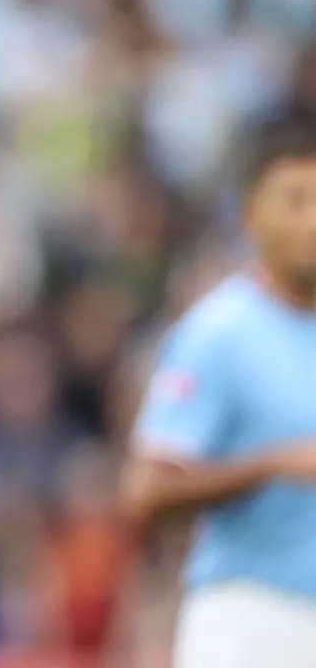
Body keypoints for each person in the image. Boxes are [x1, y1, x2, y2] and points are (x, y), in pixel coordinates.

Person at [121, 120, 316, 668]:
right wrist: (272, 465)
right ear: (252, 216)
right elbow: (147, 491)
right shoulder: (220, 333)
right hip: (254, 615)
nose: (313, 221)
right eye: (296, 201)